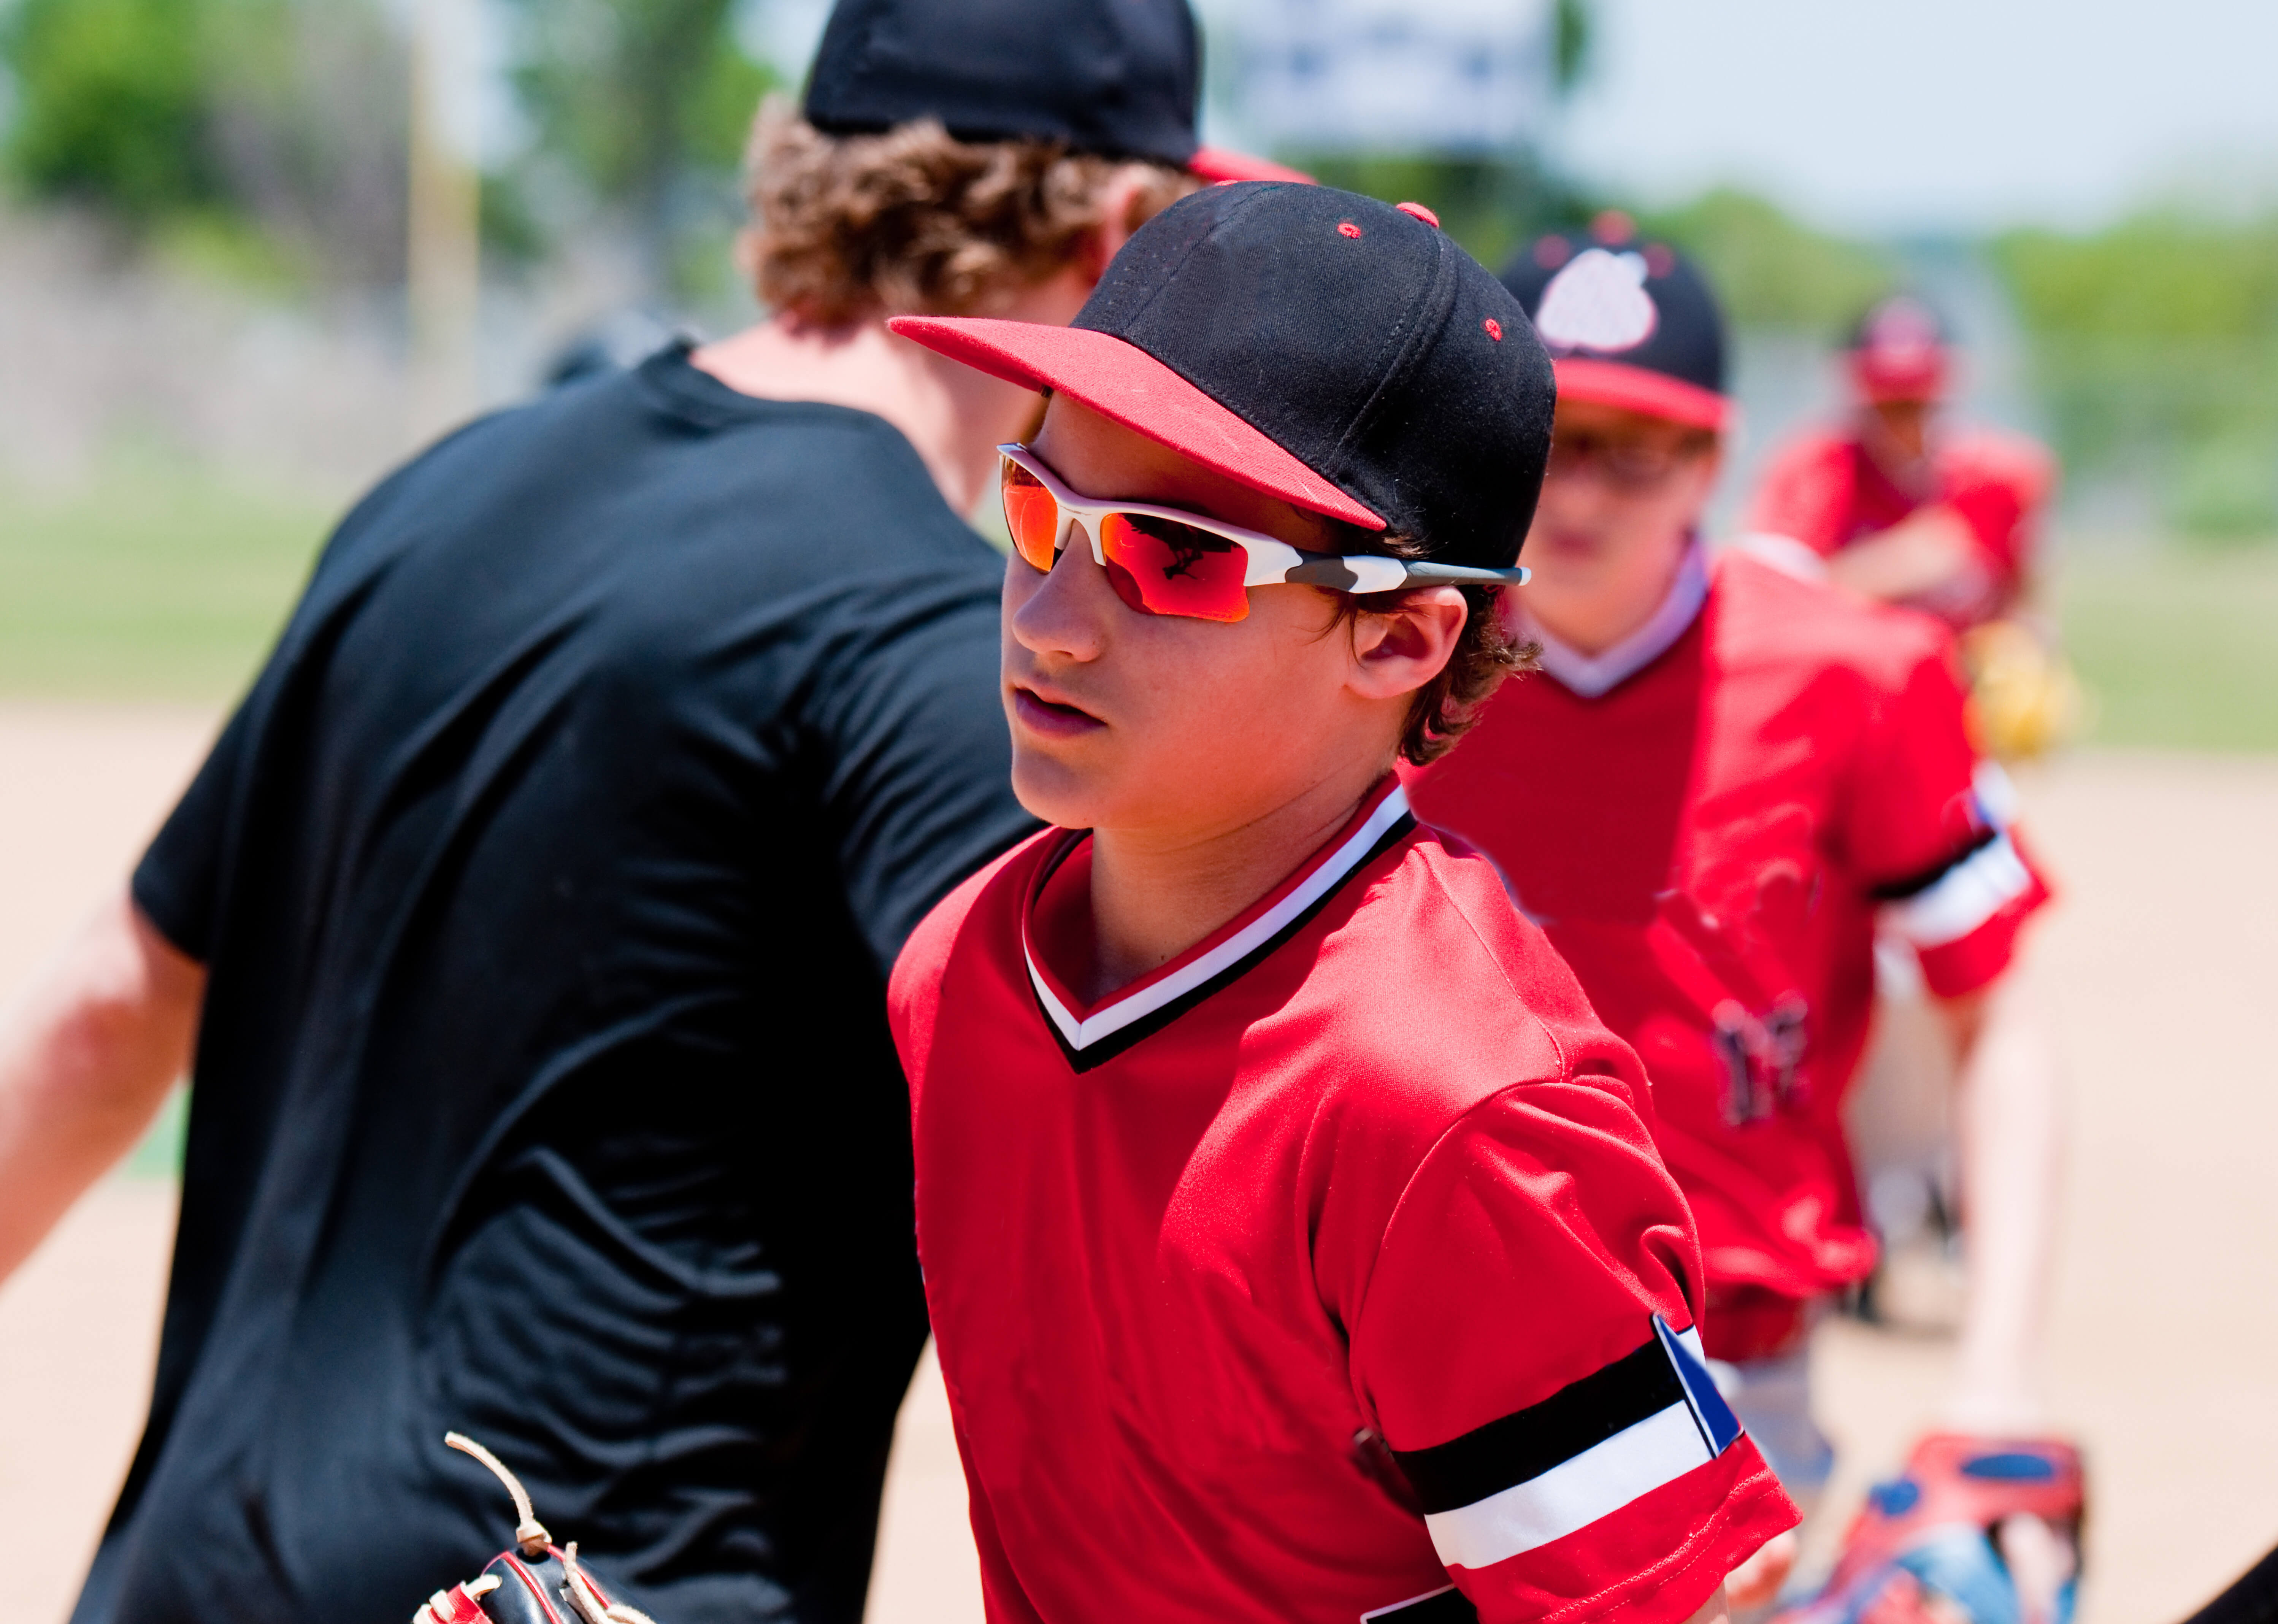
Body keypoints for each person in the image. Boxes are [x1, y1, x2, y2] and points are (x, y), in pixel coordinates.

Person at [0, 0, 1281, 1616]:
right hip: (567, 1583)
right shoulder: (923, 640)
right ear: (1103, 233)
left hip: (184, 1570)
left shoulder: (443, 489)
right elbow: (1116, 1189)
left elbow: (118, 998)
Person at [885, 183, 1798, 1624]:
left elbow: (1657, 1605)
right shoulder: (960, 965)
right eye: (1034, 506)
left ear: (1400, 635)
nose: (1049, 614)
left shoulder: (1452, 1105)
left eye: (1169, 555)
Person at [1401, 225, 2070, 1607]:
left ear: (1713, 463)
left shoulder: (1849, 670)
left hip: (1725, 1372)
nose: (1576, 486)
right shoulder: (1385, 656)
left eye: (1630, 446)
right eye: (1545, 434)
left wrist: (1994, 1373)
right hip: (1405, 1353)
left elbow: (1996, 1007)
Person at [1742, 295, 2072, 760]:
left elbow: (2023, 612)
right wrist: (1892, 567)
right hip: (1835, 729)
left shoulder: (2003, 480)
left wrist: (2030, 664)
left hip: (1955, 731)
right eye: (1886, 407)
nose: (1902, 427)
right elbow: (1760, 608)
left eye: (1918, 406)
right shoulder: (1815, 472)